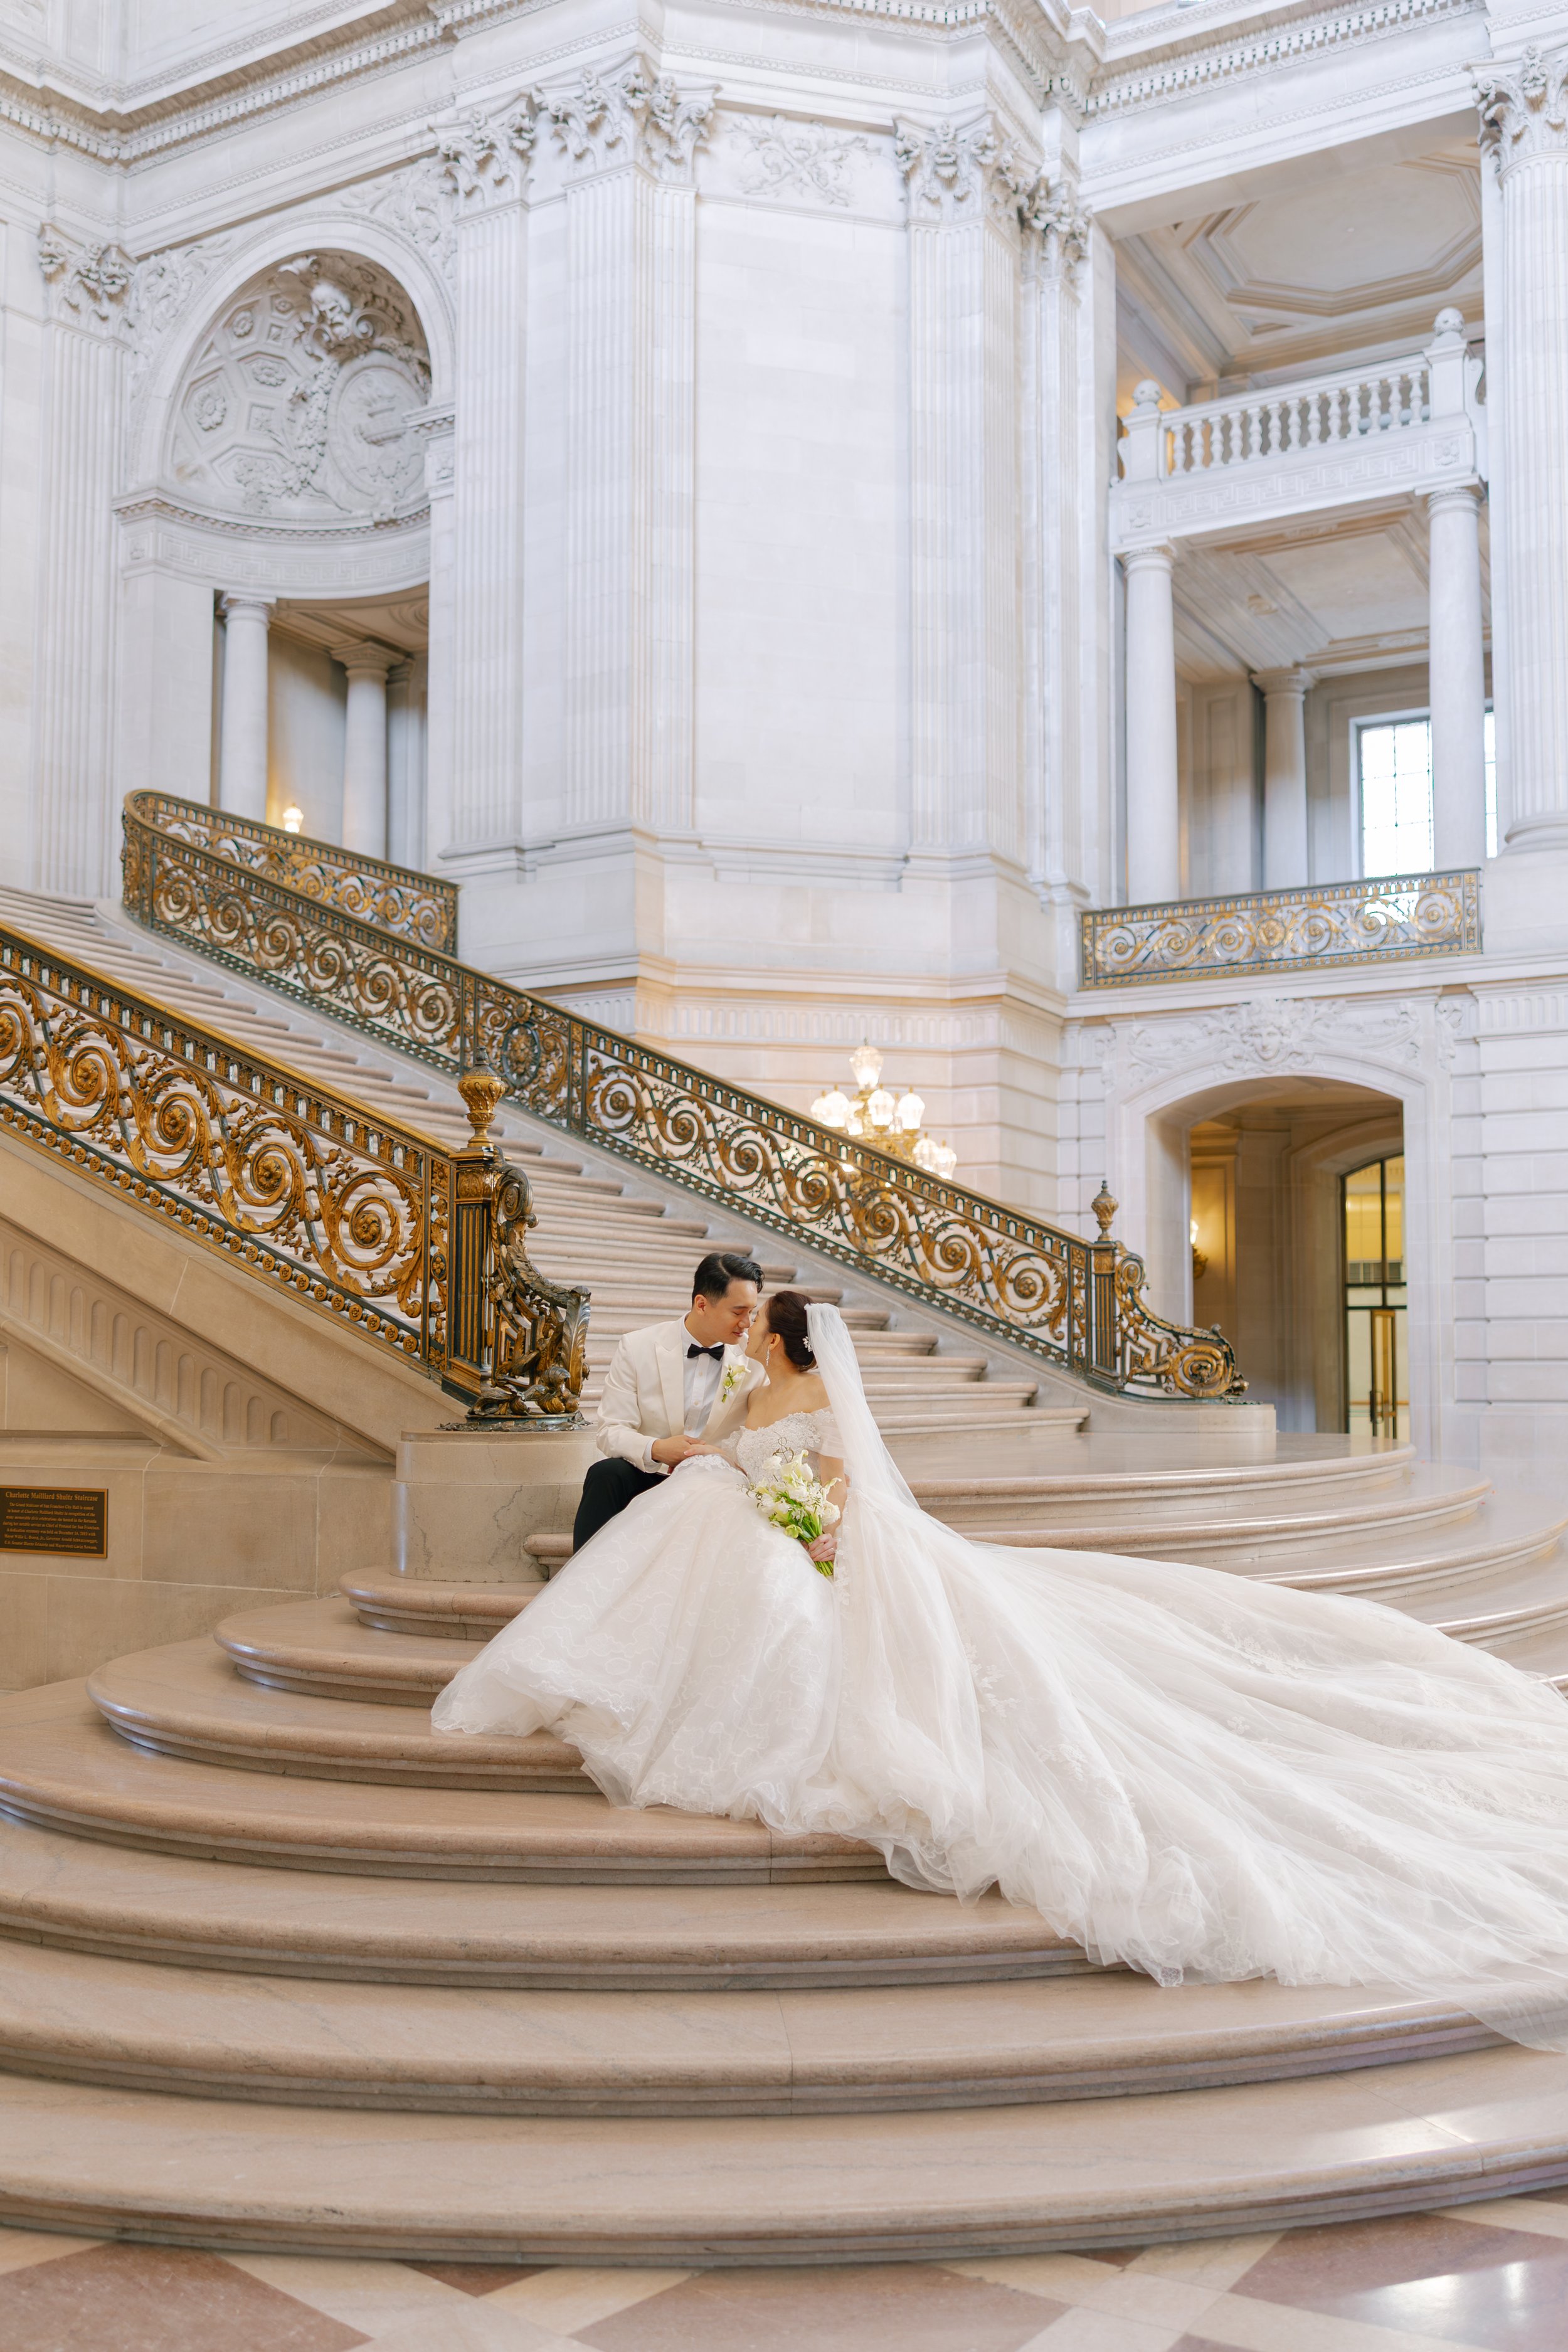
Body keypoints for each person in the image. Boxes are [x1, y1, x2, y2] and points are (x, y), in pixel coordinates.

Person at [435, 1295, 1568, 2050]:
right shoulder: (749, 1390)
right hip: (734, 1509)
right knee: (689, 1514)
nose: (751, 1340)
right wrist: (697, 1463)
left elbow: (835, 1490)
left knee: (766, 1587)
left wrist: (808, 1533)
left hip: (806, 1534)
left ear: (785, 1343)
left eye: (760, 1330)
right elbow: (716, 1443)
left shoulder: (823, 1400)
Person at [569, 1248, 768, 1552]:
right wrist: (657, 1449)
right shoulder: (638, 1347)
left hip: (715, 1483)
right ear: (702, 1304)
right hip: (650, 1474)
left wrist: (713, 1456)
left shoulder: (754, 1360)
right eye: (738, 1312)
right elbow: (611, 1430)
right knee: (606, 1473)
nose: (747, 1323)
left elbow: (763, 1436)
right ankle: (581, 1581)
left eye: (752, 1312)